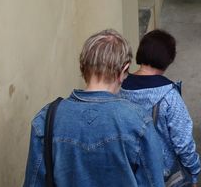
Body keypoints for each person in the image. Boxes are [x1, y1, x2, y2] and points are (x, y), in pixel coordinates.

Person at [23, 29, 164, 187]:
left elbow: (34, 183)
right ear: (123, 70)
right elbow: (153, 182)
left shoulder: (47, 118)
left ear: (82, 66)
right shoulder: (138, 121)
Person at [120, 30, 200, 187]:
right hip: (163, 178)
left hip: (129, 174)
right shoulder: (169, 96)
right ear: (168, 60)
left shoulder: (119, 87)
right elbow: (183, 144)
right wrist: (194, 172)